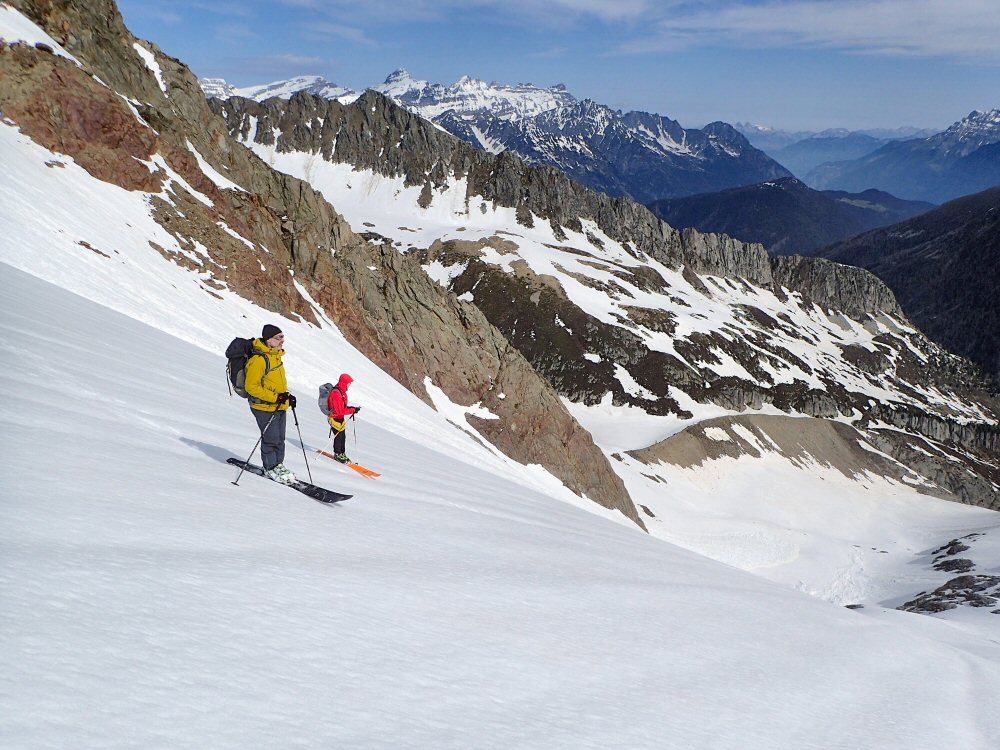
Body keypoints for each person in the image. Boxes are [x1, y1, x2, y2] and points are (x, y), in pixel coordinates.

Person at [245, 324, 297, 483]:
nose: (282, 340)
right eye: (279, 337)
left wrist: (287, 397)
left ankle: (278, 465)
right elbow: (251, 387)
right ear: (269, 340)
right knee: (271, 438)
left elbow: (275, 383)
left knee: (280, 438)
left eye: (283, 336)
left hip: (278, 405)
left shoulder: (276, 356)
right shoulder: (259, 360)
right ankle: (270, 468)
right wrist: (275, 397)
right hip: (263, 406)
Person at [326, 373, 361, 463]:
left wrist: (352, 408)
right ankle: (338, 454)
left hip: (340, 418)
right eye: (349, 383)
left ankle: (342, 453)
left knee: (342, 436)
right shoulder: (336, 393)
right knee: (339, 437)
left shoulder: (342, 392)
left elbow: (343, 407)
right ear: (344, 382)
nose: (349, 385)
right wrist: (352, 410)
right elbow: (339, 410)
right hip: (334, 417)